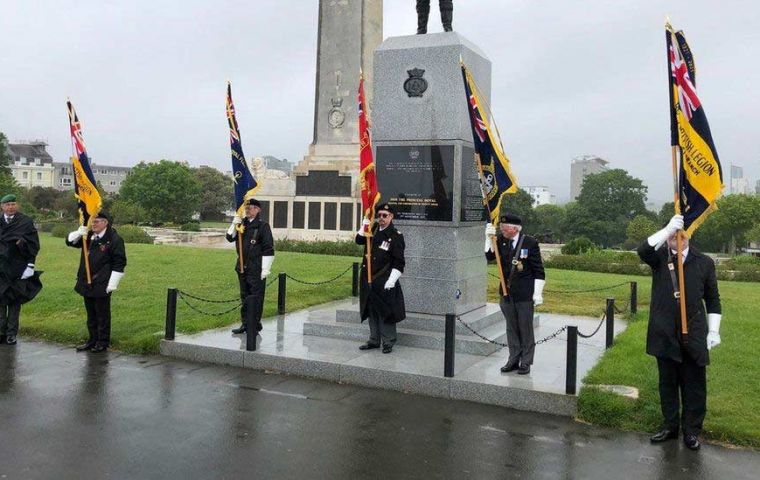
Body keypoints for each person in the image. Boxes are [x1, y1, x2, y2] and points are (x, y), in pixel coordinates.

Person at [638, 215, 722, 451]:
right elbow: (643, 249)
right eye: (674, 236)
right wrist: (666, 229)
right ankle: (670, 426)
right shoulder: (659, 259)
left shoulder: (704, 262)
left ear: (689, 235)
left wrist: (714, 330)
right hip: (664, 331)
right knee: (668, 383)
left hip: (694, 332)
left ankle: (692, 431)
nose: (678, 239)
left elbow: (713, 300)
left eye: (682, 234)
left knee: (694, 384)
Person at [485, 213, 545, 375]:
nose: (502, 230)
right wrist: (488, 239)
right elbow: (489, 256)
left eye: (505, 228)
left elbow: (538, 270)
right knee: (511, 328)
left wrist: (537, 294)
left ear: (515, 228)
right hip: (506, 293)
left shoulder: (530, 243)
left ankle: (526, 362)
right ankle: (513, 359)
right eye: (501, 228)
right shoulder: (501, 240)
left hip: (524, 293)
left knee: (525, 328)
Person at [66, 212, 127, 353]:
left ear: (105, 223)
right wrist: (78, 233)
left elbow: (120, 262)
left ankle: (102, 341)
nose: (93, 224)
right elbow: (70, 242)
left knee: (102, 314)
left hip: (102, 282)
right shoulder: (88, 237)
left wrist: (112, 283)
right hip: (86, 281)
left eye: (97, 221)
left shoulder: (114, 239)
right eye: (92, 221)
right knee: (91, 314)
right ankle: (92, 340)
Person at [355, 203, 406, 354]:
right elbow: (359, 241)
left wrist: (392, 280)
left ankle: (388, 341)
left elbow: (399, 261)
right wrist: (363, 228)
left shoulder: (395, 236)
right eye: (380, 215)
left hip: (384, 279)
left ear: (391, 217)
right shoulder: (373, 229)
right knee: (371, 310)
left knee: (385, 311)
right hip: (368, 278)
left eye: (385, 215)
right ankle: (374, 340)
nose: (381, 218)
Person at [226, 198, 274, 335]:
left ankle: (255, 324)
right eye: (247, 208)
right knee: (244, 296)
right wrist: (233, 224)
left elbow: (268, 248)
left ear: (258, 210)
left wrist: (265, 268)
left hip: (256, 268)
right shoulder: (241, 225)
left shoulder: (263, 226)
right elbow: (229, 238)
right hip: (242, 267)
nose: (248, 210)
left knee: (256, 297)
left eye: (251, 208)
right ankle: (245, 323)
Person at [0, 194, 41, 346]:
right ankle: (1, 332)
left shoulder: (25, 222)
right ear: (2, 206)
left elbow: (34, 245)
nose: (10, 207)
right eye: (7, 204)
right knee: (1, 302)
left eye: (13, 204)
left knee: (14, 303)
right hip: (1, 268)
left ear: (16, 206)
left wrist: (30, 266)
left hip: (18, 268)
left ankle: (11, 334)